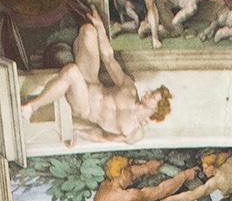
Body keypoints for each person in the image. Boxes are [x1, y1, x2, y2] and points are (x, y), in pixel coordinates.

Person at [25, 11, 174, 142]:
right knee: (89, 31)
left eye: (152, 96)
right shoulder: (130, 90)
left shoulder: (134, 132)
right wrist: (100, 27)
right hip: (91, 81)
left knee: (72, 71)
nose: (147, 93)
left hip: (84, 107)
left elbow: (103, 137)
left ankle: (32, 107)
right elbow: (109, 59)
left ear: (156, 111)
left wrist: (76, 133)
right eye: (152, 92)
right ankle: (63, 46)